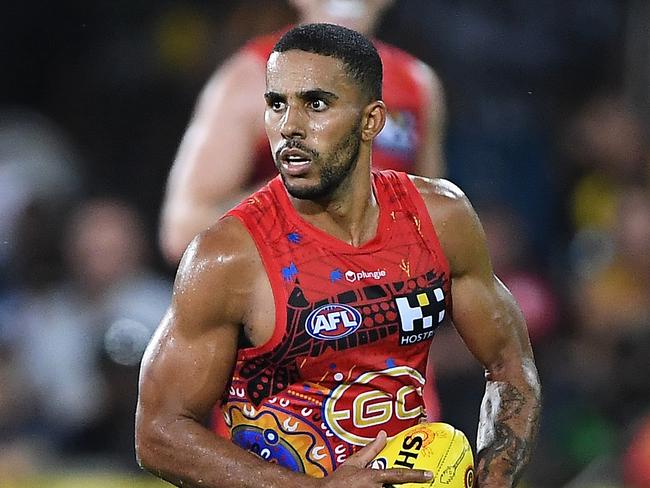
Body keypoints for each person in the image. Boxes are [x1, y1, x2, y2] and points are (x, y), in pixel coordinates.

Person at [136, 23, 540, 488]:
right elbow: (157, 432)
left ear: (371, 121)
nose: (289, 125)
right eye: (276, 104)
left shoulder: (440, 220)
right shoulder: (228, 256)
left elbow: (512, 365)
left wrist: (494, 478)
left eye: (316, 104)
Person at [159, 0, 446, 264]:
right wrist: (300, 198)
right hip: (283, 299)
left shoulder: (418, 85)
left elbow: (437, 225)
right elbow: (183, 229)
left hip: (382, 298)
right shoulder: (249, 78)